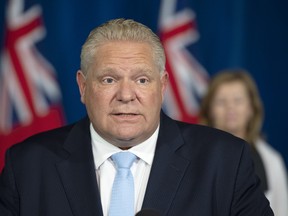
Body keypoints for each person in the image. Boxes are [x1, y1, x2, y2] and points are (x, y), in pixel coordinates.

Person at [0, 19, 273, 216]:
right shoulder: (27, 166)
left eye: (142, 80)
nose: (126, 95)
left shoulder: (224, 160)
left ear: (162, 86)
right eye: (109, 79)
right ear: (83, 87)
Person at [199, 69, 288, 216]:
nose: (230, 107)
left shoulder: (272, 160)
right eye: (221, 101)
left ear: (251, 108)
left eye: (238, 100)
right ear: (209, 110)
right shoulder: (192, 155)